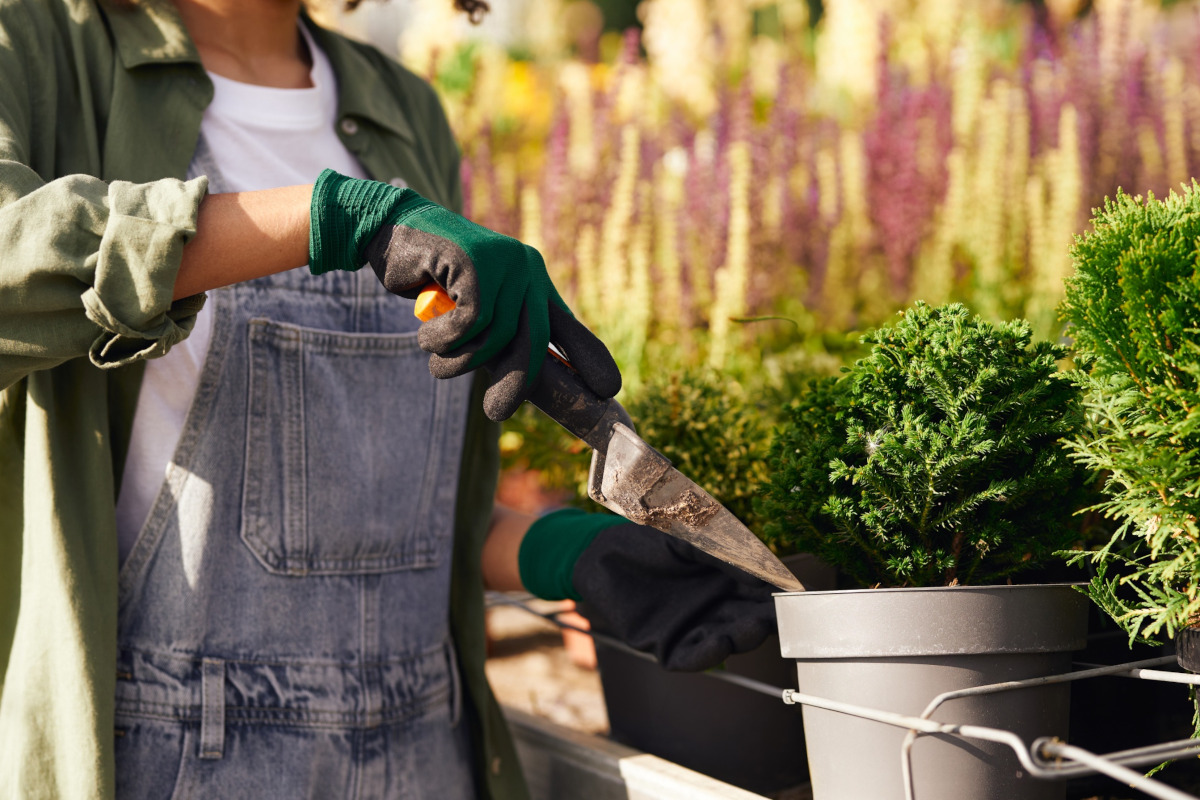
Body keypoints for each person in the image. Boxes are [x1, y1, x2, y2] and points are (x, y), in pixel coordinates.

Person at [0, 0, 777, 798]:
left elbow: (389, 506)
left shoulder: (400, 108)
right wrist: (333, 220)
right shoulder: (40, 48)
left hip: (423, 753)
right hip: (172, 760)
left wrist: (567, 557)